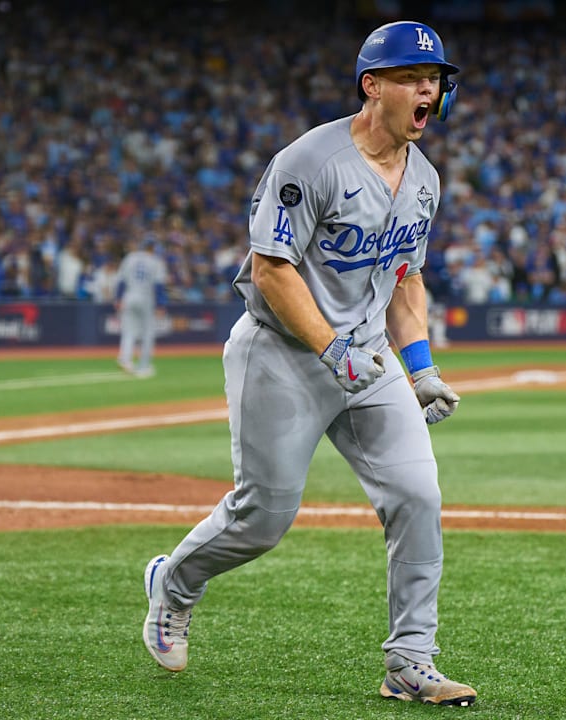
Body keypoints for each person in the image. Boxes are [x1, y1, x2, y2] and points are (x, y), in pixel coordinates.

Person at [141, 21, 477, 707]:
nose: (428, 89)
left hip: (368, 359)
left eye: (435, 78)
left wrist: (420, 368)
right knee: (262, 518)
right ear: (372, 86)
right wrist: (330, 347)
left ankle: (410, 661)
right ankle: (173, 584)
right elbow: (272, 269)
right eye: (413, 77)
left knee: (418, 498)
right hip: (283, 355)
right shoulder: (309, 161)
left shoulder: (425, 179)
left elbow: (404, 278)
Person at [115, 235, 167, 377]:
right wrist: (161, 304)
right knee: (148, 333)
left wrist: (118, 298)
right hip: (146, 297)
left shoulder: (130, 257)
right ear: (152, 248)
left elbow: (121, 281)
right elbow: (159, 285)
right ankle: (143, 365)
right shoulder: (156, 261)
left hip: (129, 295)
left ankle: (125, 359)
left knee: (129, 331)